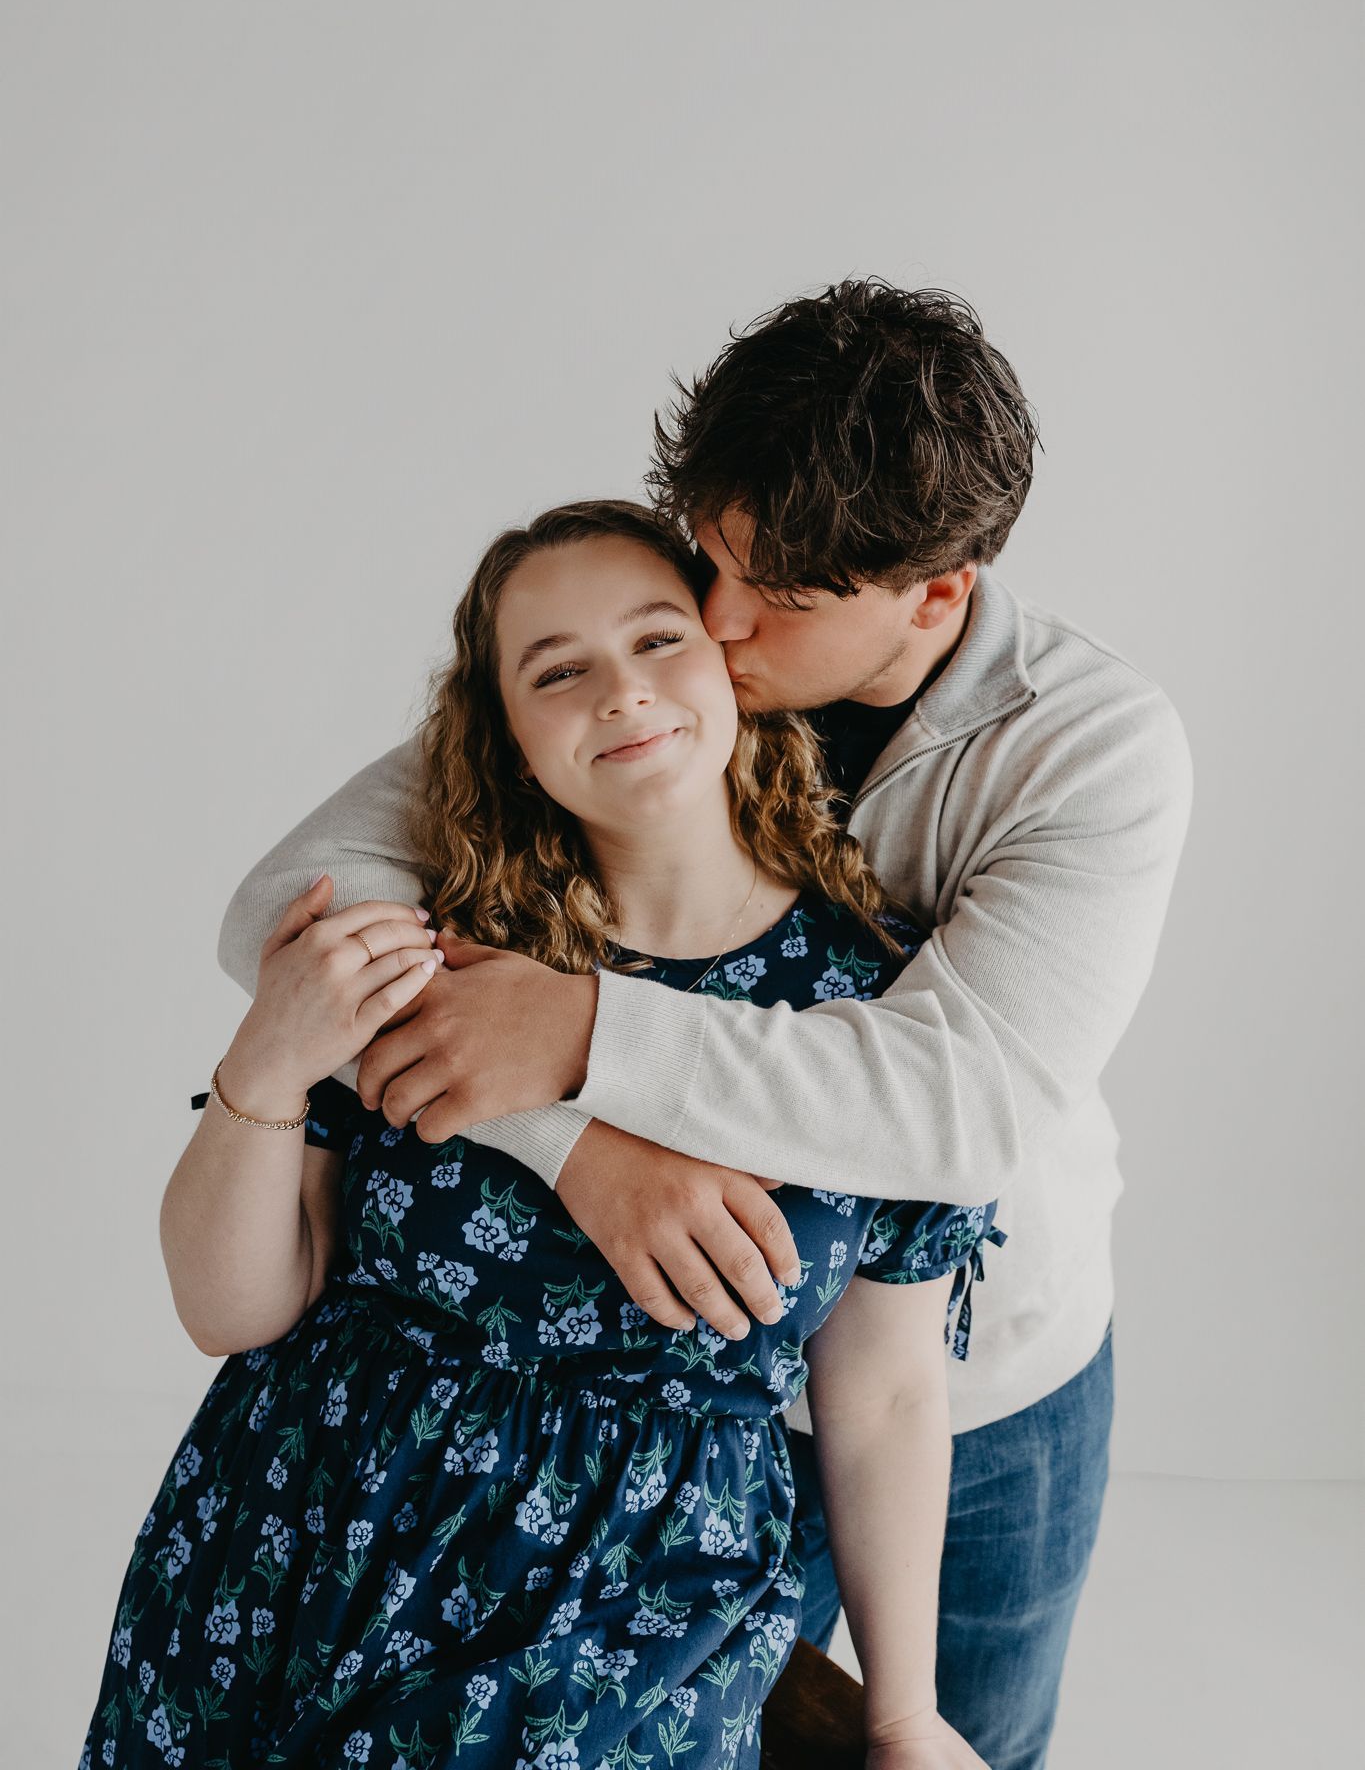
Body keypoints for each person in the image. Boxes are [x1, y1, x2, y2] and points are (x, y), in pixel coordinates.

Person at [219, 283, 1194, 1770]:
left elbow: (959, 1101)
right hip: (655, 1403)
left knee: (949, 1744)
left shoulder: (1094, 745)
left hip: (966, 1388)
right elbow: (285, 916)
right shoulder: (659, 657)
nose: (720, 625)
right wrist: (577, 1147)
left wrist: (583, 1029)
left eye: (781, 601)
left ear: (937, 594)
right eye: (714, 560)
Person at [79, 500, 1003, 1770]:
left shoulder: (868, 1013)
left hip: (639, 1620)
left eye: (657, 639)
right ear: (507, 737)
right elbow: (230, 1305)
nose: (620, 692)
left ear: (733, 665)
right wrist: (268, 1058)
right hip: (305, 1545)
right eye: (557, 670)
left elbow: (889, 1392)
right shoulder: (432, 943)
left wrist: (903, 1707)